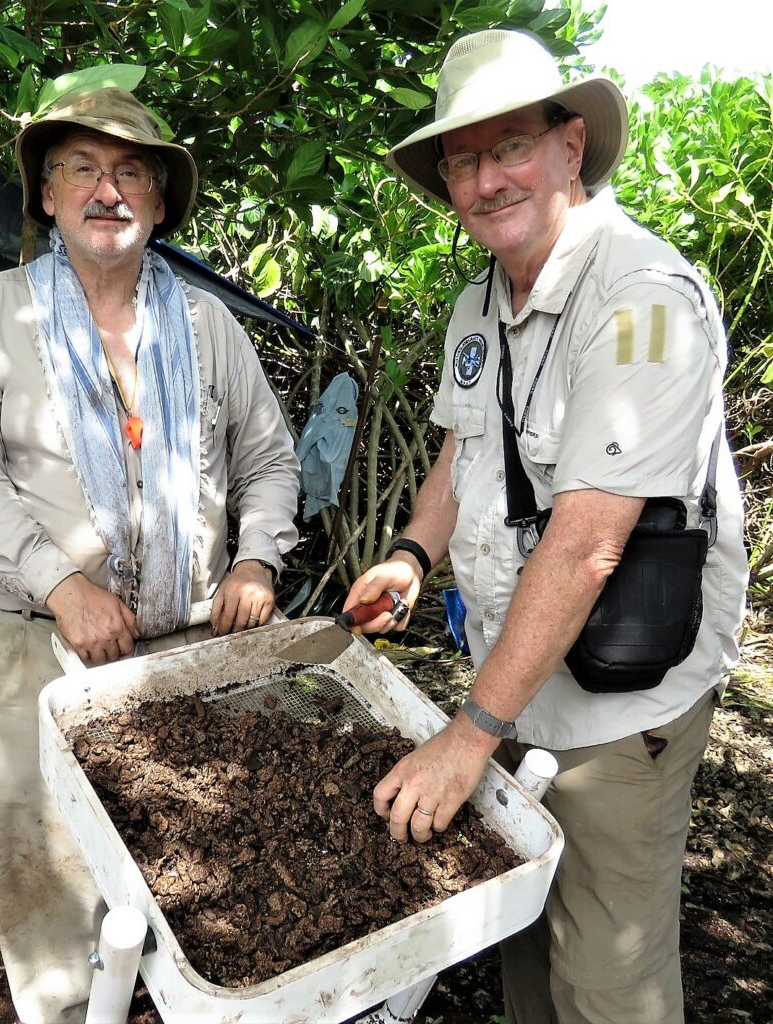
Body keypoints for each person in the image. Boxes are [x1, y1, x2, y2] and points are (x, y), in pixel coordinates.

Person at [343, 29, 747, 1024]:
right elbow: (457, 457)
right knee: (520, 935)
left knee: (608, 976)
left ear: (570, 146)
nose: (486, 181)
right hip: (519, 681)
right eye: (464, 159)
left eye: (509, 146)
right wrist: (409, 553)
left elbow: (589, 544)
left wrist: (466, 733)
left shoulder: (641, 299)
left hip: (615, 709)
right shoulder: (481, 301)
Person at [0, 85, 299, 1023]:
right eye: (82, 169)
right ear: (45, 195)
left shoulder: (208, 324)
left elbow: (266, 457)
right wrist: (61, 582)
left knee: (200, 883)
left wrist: (255, 562)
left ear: (161, 200)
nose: (108, 191)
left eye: (130, 170)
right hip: (36, 657)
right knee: (50, 891)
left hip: (190, 654)